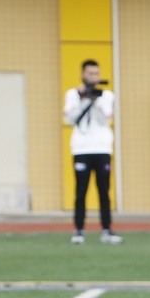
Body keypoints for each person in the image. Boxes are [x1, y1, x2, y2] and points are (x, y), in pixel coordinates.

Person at [62, 59, 121, 245]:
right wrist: (82, 99)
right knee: (81, 191)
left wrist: (94, 101)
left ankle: (107, 230)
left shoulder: (107, 95)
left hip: (102, 148)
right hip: (81, 149)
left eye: (97, 73)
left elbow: (105, 120)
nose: (94, 77)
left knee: (104, 190)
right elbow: (70, 119)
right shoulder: (72, 94)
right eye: (91, 73)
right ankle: (78, 231)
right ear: (83, 75)